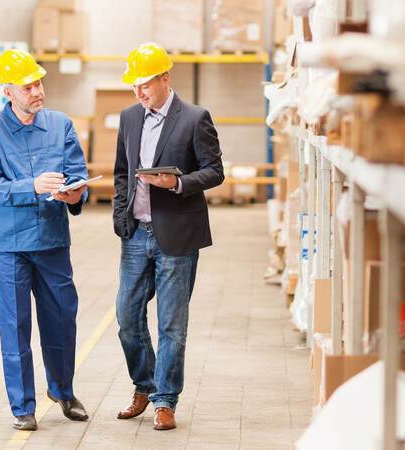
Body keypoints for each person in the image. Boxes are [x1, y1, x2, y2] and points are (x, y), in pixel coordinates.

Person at [0, 49, 89, 431]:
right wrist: (31, 187)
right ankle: (23, 405)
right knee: (15, 324)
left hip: (52, 240)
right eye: (28, 86)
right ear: (8, 92)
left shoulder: (60, 125)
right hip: (10, 245)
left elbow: (76, 173)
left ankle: (63, 390)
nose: (37, 91)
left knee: (61, 319)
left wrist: (76, 194)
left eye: (39, 82)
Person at [112, 42, 225, 431]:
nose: (140, 93)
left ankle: (164, 400)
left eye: (145, 84)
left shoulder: (194, 118)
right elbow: (123, 173)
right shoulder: (129, 118)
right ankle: (144, 385)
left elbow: (214, 171)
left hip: (176, 235)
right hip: (135, 235)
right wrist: (120, 218)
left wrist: (177, 183)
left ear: (165, 78)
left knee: (172, 326)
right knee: (127, 318)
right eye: (134, 87)